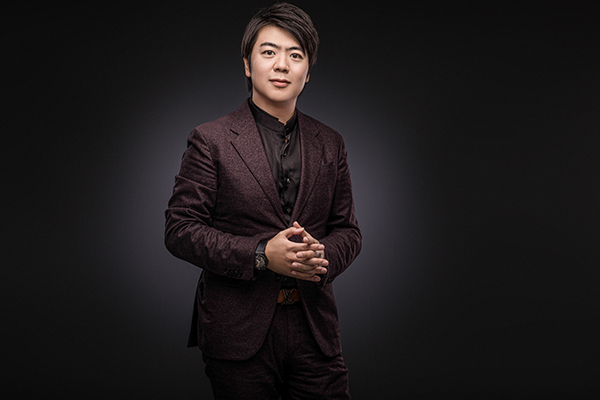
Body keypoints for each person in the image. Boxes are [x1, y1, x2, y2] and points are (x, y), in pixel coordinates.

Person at [165, 3, 361, 398]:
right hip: (237, 332)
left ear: (308, 70)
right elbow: (180, 230)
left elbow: (348, 231)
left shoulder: (331, 142)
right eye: (269, 52)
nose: (282, 65)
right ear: (247, 63)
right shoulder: (211, 140)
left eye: (295, 55)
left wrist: (321, 256)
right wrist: (260, 254)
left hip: (315, 330)